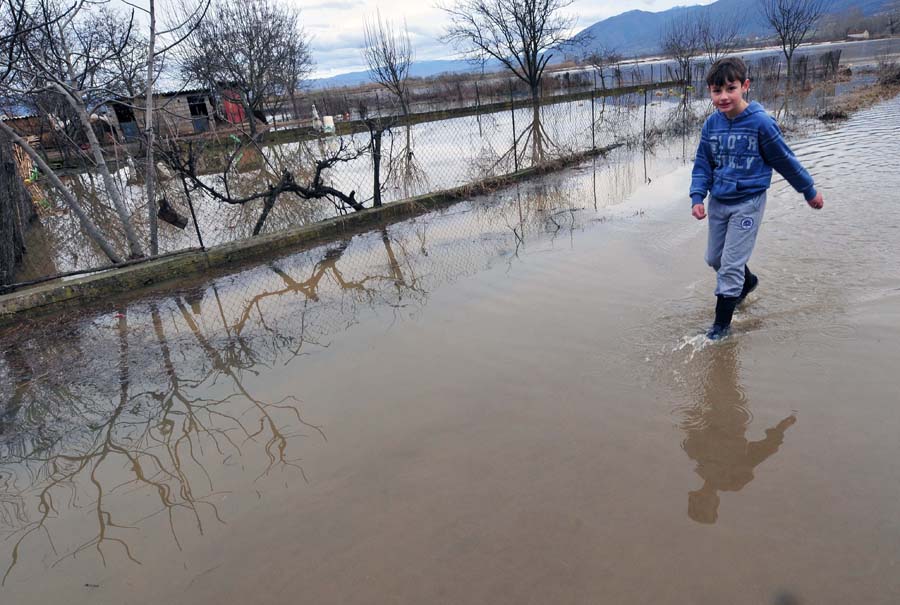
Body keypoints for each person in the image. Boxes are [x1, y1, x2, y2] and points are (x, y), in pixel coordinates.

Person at [690, 57, 824, 340]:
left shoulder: (761, 123)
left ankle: (720, 330)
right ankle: (747, 282)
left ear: (745, 86)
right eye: (717, 91)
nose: (724, 96)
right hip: (719, 201)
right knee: (714, 258)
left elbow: (785, 161)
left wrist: (808, 191)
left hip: (748, 202)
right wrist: (697, 196)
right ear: (710, 92)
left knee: (729, 266)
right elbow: (703, 163)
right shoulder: (711, 125)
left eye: (730, 88)